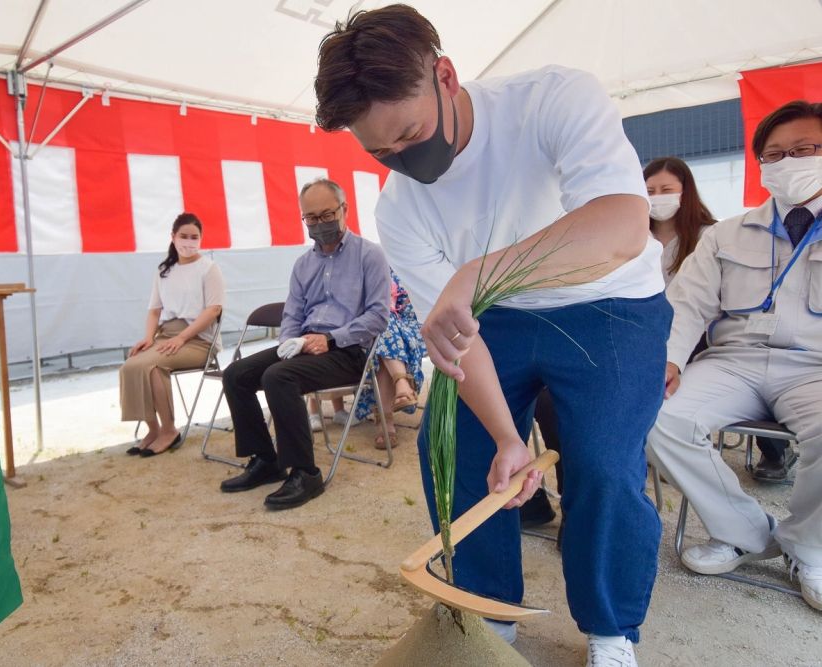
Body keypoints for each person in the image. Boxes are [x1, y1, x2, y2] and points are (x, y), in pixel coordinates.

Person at [315, 6, 670, 665]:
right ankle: (487, 612)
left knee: (601, 463)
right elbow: (453, 342)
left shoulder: (553, 100)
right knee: (453, 449)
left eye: (410, 133)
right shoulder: (399, 204)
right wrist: (509, 438)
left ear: (445, 76)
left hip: (612, 302)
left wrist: (479, 272)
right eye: (378, 150)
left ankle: (612, 629)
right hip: (495, 316)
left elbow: (623, 225)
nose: (403, 159)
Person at [646, 100, 822, 613]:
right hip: (734, 362)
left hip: (814, 366)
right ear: (762, 165)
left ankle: (808, 547)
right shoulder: (728, 233)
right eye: (775, 154)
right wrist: (669, 361)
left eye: (805, 149)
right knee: (655, 416)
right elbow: (688, 303)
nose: (788, 161)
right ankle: (746, 533)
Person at [520, 157, 730, 528]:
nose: (657, 198)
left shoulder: (711, 238)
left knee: (600, 409)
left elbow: (700, 312)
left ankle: (598, 510)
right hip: (619, 339)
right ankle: (566, 502)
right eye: (649, 191)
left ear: (688, 192)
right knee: (548, 398)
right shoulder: (621, 236)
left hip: (683, 348)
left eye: (667, 190)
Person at [219, 178, 389, 510]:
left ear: (344, 210)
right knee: (236, 374)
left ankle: (305, 472)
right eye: (311, 218)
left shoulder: (370, 255)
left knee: (278, 377)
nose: (320, 223)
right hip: (304, 346)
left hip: (349, 351)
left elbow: (378, 316)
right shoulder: (303, 265)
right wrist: (288, 344)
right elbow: (292, 316)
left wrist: (330, 339)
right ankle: (266, 460)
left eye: (326, 214)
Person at [119, 213, 224, 457]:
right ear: (173, 237)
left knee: (153, 366)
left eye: (194, 237)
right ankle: (153, 428)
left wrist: (182, 338)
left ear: (201, 239)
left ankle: (169, 430)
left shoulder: (209, 268)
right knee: (131, 364)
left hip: (199, 340)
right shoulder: (164, 270)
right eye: (183, 236)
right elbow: (154, 311)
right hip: (166, 335)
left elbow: (213, 310)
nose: (189, 241)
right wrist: (148, 337)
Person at [355, 269, 426, 449]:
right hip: (375, 330)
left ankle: (385, 423)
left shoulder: (420, 266)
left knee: (382, 340)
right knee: (383, 325)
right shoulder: (376, 267)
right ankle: (402, 384)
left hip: (413, 328)